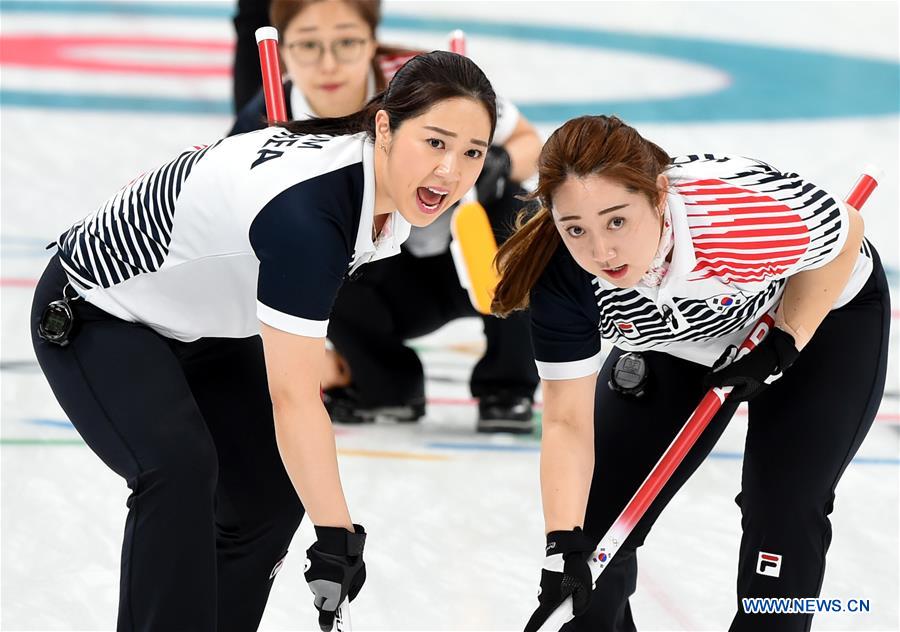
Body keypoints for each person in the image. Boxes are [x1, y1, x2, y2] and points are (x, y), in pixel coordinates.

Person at [31, 50, 496, 632]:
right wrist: (336, 535)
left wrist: (332, 531)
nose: (451, 172)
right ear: (384, 125)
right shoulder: (310, 215)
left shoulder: (379, 190)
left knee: (267, 492)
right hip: (96, 308)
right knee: (177, 470)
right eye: (435, 143)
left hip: (201, 319)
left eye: (472, 152)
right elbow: (295, 398)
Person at [491, 115, 889, 632]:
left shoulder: (736, 217)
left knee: (784, 509)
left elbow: (848, 234)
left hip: (819, 317)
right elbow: (566, 424)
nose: (600, 252)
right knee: (593, 530)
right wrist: (560, 546)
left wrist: (786, 338)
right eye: (576, 229)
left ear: (658, 194)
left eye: (617, 221)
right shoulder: (565, 277)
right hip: (678, 340)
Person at [231, 0, 542, 433]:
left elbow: (528, 140)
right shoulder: (267, 118)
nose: (328, 63)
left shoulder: (425, 85)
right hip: (379, 283)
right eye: (307, 45)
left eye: (347, 42)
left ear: (373, 40)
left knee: (521, 214)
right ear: (282, 50)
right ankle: (385, 384)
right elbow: (239, 242)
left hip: (469, 260)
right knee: (306, 244)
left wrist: (500, 163)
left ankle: (508, 388)